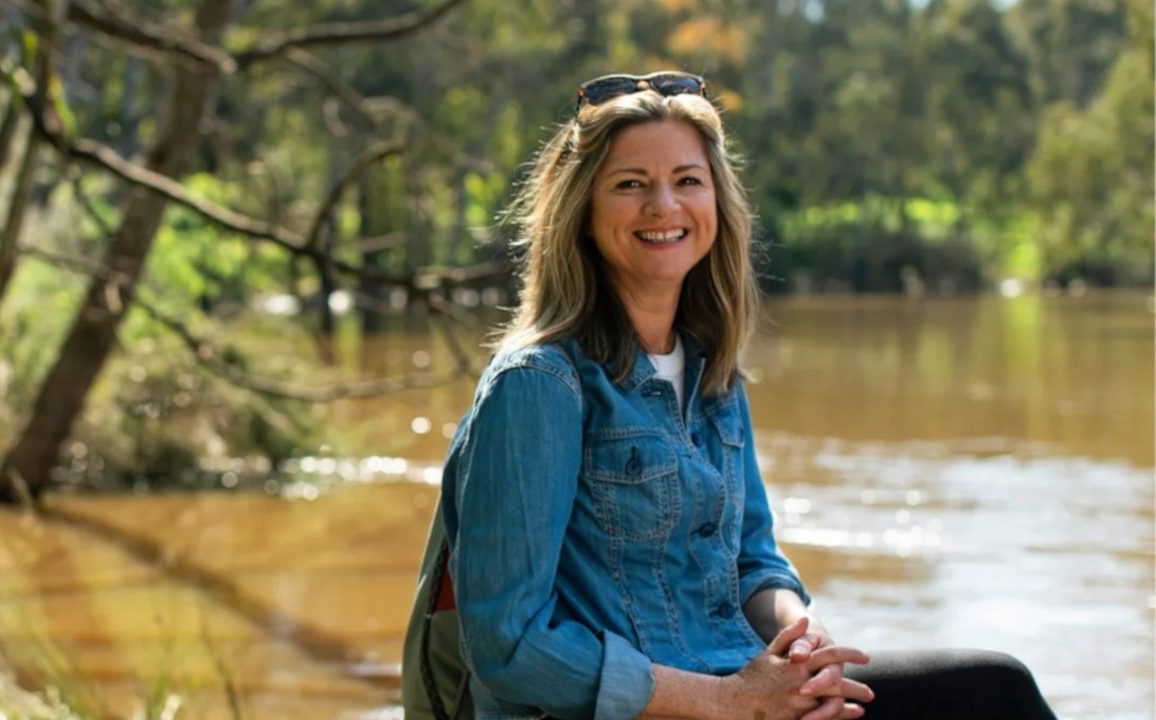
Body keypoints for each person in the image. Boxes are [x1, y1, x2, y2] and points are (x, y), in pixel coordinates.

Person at [433, 72, 1059, 720]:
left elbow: (751, 560)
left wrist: (803, 643)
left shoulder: (714, 375)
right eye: (630, 185)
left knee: (994, 692)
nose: (663, 207)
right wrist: (731, 701)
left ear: (716, 203)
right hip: (666, 708)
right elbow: (507, 646)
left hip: (744, 689)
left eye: (687, 180)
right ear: (583, 212)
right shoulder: (538, 386)